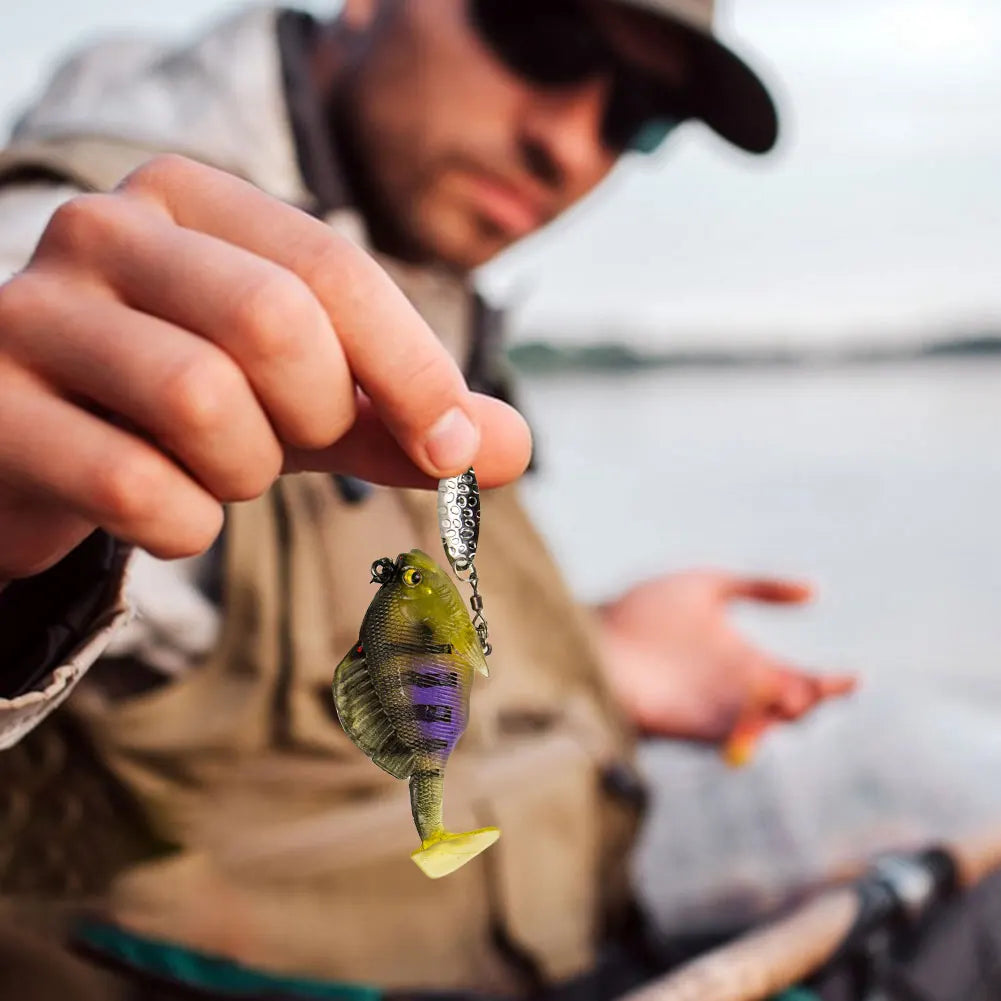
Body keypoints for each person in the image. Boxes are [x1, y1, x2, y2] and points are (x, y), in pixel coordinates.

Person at [0, 1, 855, 997]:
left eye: (638, 114)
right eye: (543, 38)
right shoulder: (66, 257)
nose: (571, 144)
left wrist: (589, 657)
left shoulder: (426, 279)